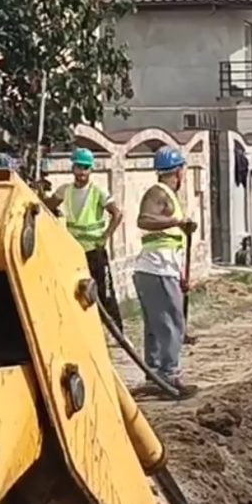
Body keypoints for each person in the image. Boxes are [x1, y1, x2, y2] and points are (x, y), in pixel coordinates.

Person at [133, 146, 197, 394]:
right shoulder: (158, 193)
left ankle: (155, 375)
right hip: (156, 269)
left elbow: (171, 241)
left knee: (156, 325)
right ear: (179, 171)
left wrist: (181, 276)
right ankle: (168, 376)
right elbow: (144, 220)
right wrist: (177, 221)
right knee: (172, 323)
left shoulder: (167, 195)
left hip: (160, 268)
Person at [59, 148, 123, 325]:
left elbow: (117, 214)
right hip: (75, 252)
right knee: (78, 292)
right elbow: (48, 205)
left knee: (104, 293)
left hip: (95, 251)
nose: (81, 172)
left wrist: (105, 237)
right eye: (79, 167)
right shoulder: (65, 191)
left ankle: (117, 332)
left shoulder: (98, 191)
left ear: (91, 170)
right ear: (73, 168)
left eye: (85, 168)